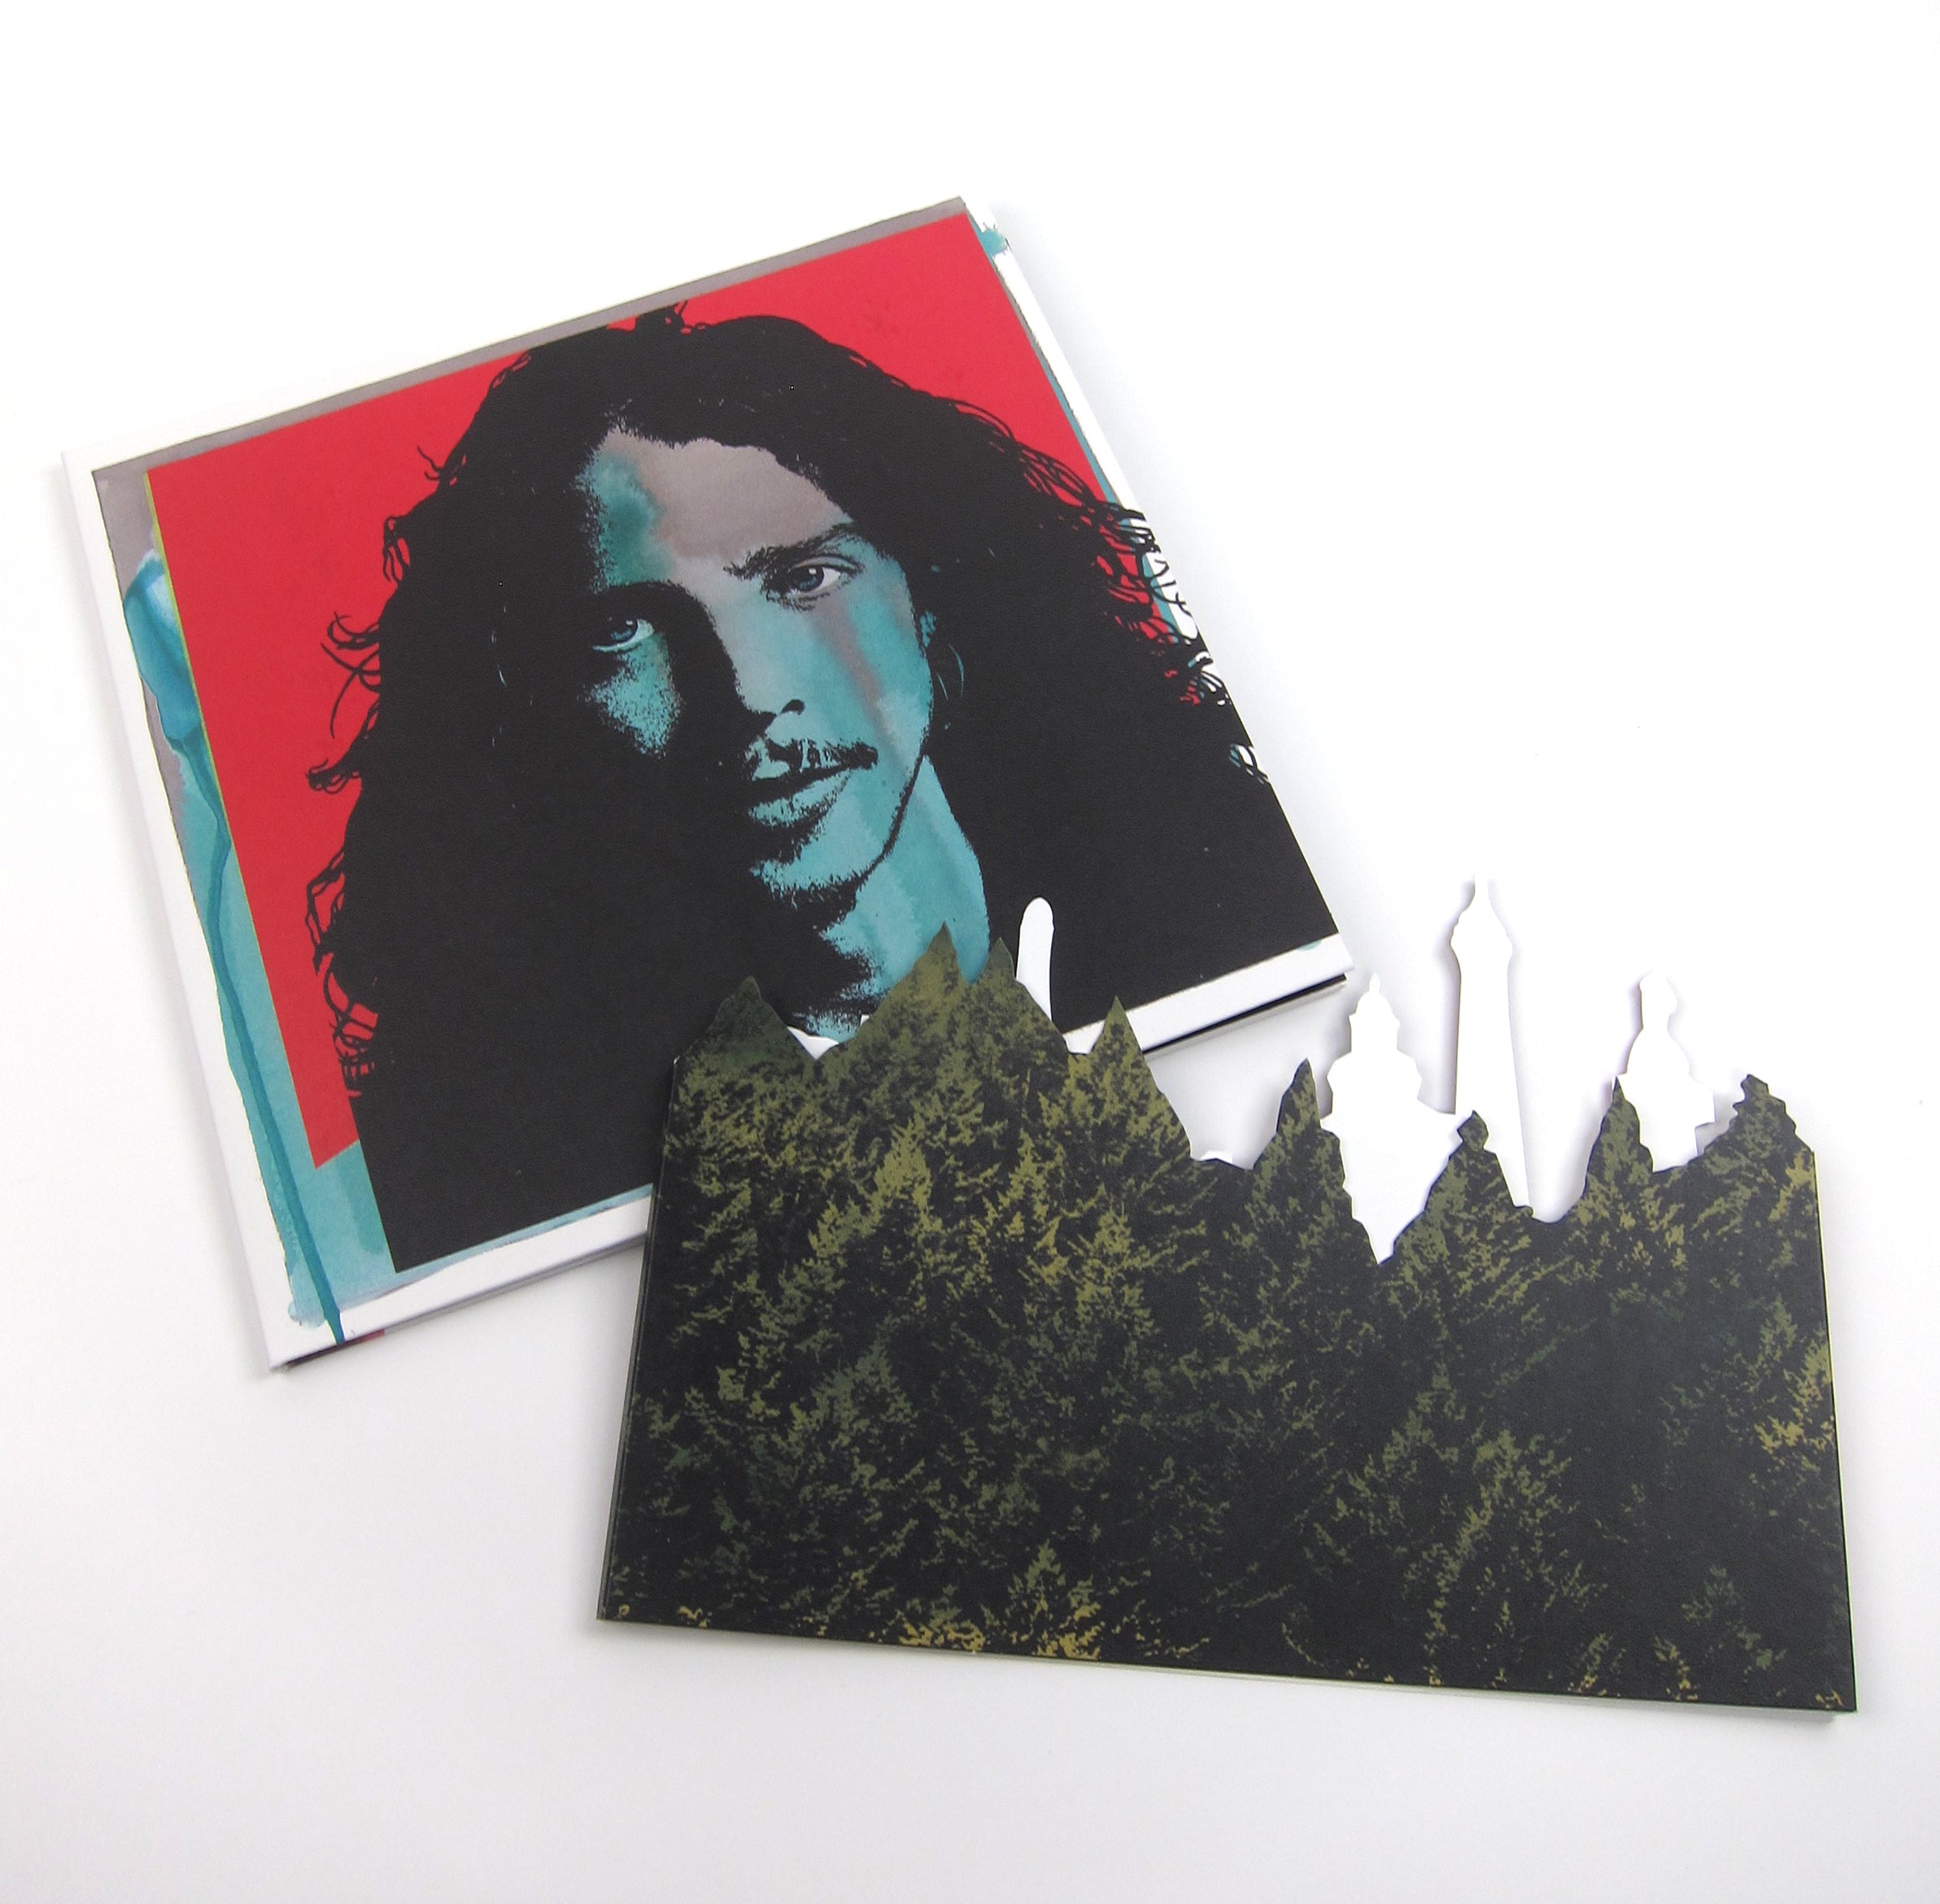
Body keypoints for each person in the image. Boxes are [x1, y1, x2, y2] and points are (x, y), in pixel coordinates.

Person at [308, 308, 1335, 1268]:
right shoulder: (477, 1178)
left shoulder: (1247, 934)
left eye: (805, 580)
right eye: (624, 632)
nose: (747, 697)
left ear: (935, 615)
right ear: (530, 709)